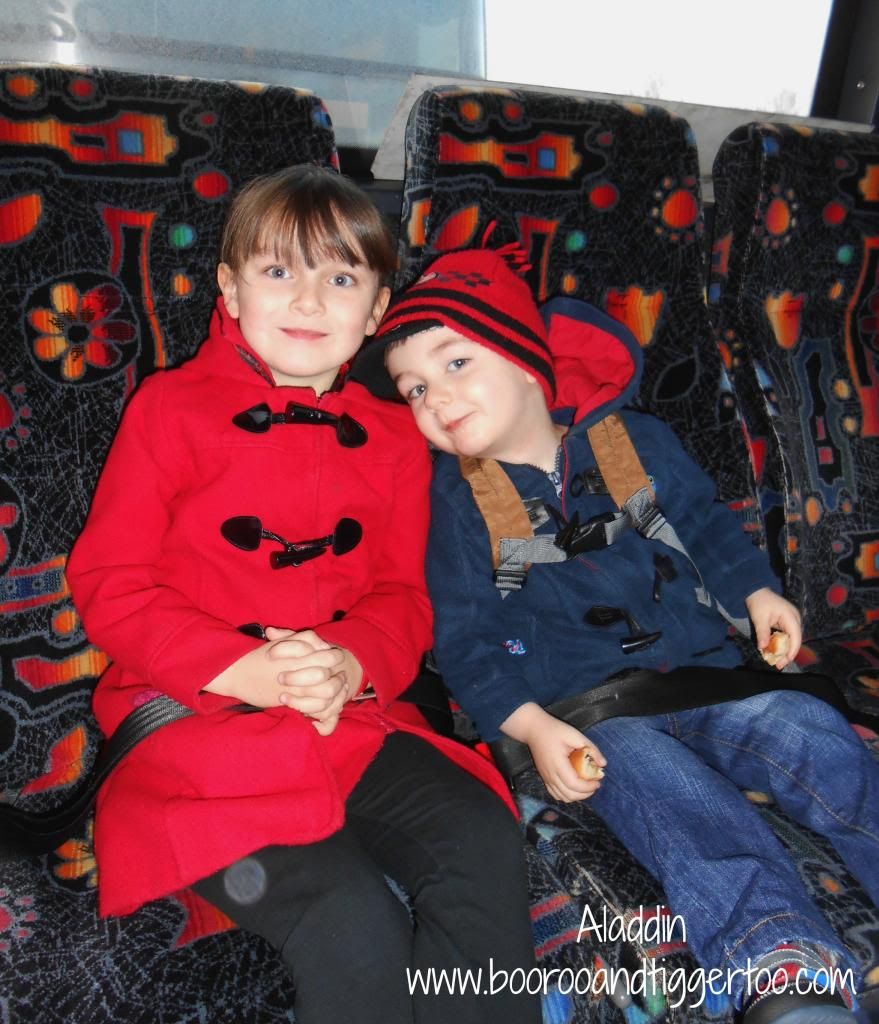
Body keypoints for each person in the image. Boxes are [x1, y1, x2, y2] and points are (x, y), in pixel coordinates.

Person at [66, 169, 542, 1024]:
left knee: (477, 835)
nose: (310, 299)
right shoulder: (168, 410)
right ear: (229, 287)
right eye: (278, 270)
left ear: (374, 307)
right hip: (195, 727)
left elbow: (403, 592)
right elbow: (111, 582)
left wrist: (354, 661)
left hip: (350, 720)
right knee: (347, 915)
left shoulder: (399, 437)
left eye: (341, 277)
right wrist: (236, 667)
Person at [358, 244, 879, 1024]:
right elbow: (464, 642)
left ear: (528, 361)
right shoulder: (458, 500)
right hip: (590, 715)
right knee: (673, 795)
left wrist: (759, 594)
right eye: (415, 389)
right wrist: (533, 730)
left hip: (710, 675)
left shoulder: (633, 441)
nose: (435, 399)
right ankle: (780, 968)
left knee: (807, 726)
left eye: (457, 363)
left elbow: (705, 529)